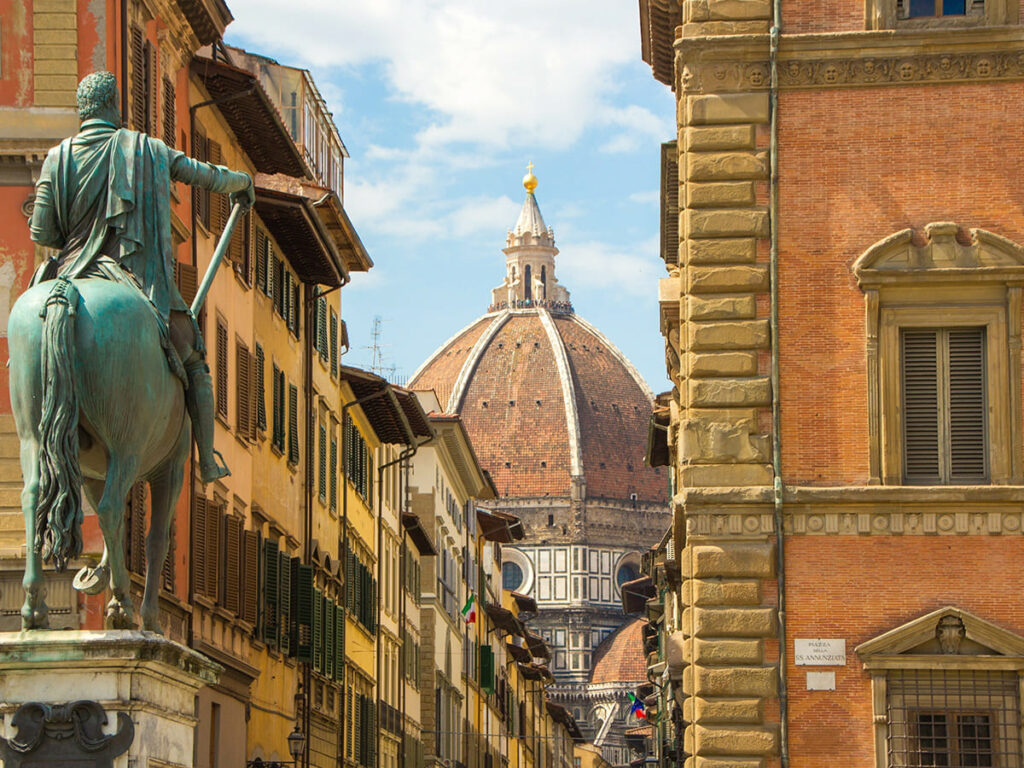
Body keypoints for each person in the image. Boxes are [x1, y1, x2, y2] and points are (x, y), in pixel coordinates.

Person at [28, 71, 254, 483]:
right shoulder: (145, 149)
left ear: (83, 110)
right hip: (132, 278)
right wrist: (241, 182)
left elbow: (42, 233)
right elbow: (201, 173)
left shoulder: (57, 158)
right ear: (114, 105)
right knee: (195, 360)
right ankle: (207, 459)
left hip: (70, 273)